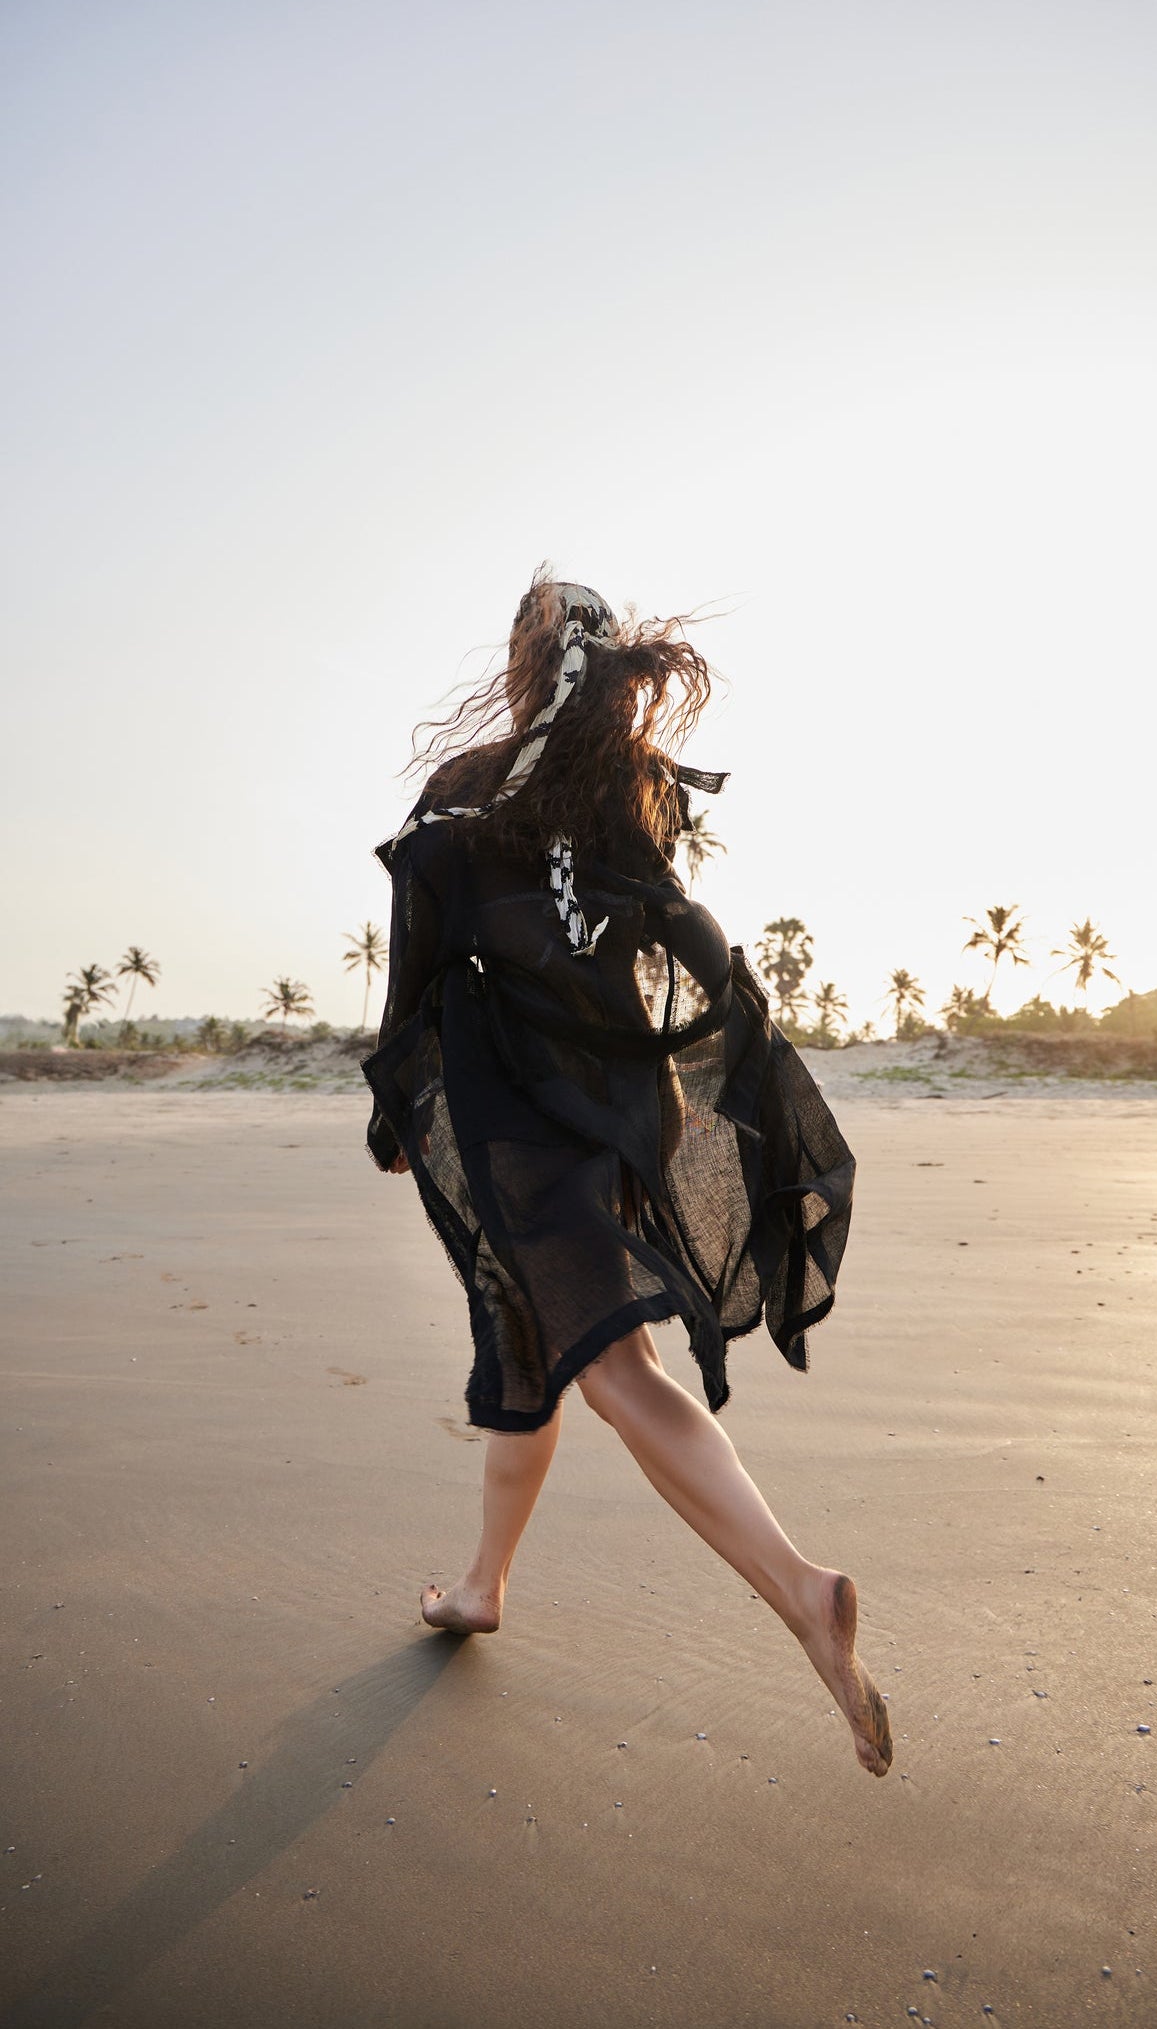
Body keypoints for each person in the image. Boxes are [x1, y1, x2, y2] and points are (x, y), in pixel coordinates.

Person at [364, 569, 891, 1777]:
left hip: (523, 1125)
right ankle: (483, 1585)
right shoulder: (634, 790)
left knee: (616, 1366)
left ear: (523, 665)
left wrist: (394, 1111)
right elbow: (680, 934)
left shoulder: (468, 785)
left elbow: (421, 963)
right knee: (526, 1342)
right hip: (622, 1111)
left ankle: (803, 1591)